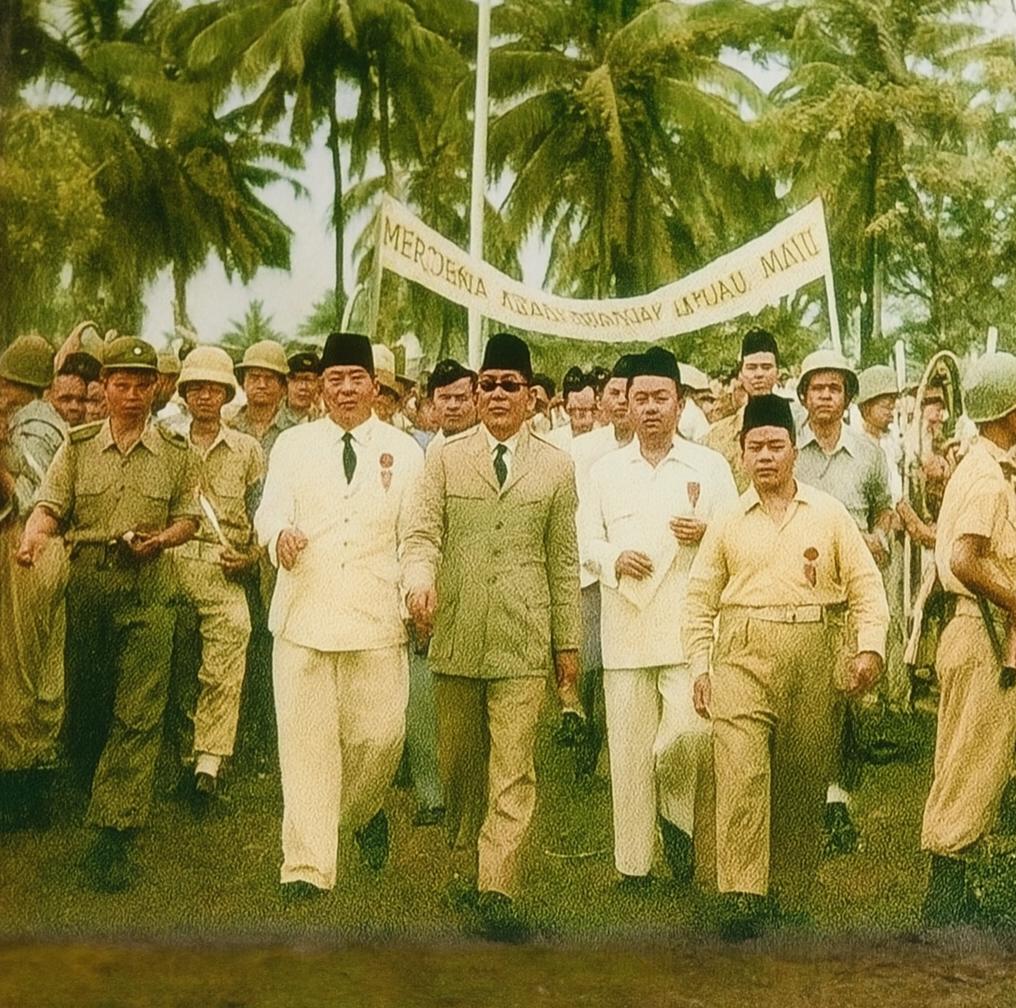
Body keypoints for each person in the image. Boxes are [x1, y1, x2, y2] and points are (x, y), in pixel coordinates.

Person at [683, 393, 887, 939]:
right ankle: (742, 893)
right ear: (743, 455)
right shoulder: (727, 520)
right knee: (742, 770)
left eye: (776, 445)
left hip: (813, 652)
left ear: (794, 450)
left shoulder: (829, 514)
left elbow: (866, 586)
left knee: (801, 775)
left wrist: (869, 648)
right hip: (743, 653)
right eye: (756, 448)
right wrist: (700, 667)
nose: (766, 456)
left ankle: (790, 890)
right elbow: (700, 599)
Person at [402, 332, 582, 940]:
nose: (498, 394)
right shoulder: (445, 458)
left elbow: (563, 561)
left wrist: (567, 646)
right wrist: (419, 584)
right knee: (461, 766)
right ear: (475, 393)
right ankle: (468, 857)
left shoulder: (557, 466)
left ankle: (496, 885)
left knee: (513, 766)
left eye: (510, 385)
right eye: (488, 384)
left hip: (521, 640)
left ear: (531, 396)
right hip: (454, 634)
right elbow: (422, 536)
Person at [17, 336, 200, 892]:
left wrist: (161, 540)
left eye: (142, 384)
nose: (132, 394)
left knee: (139, 713)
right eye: (121, 384)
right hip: (89, 586)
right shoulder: (75, 446)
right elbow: (50, 506)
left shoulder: (175, 452)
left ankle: (114, 835)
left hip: (149, 589)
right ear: (105, 388)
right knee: (89, 709)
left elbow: (189, 518)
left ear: (156, 388)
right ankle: (94, 798)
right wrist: (32, 538)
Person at [254, 331, 423, 901]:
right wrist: (280, 536)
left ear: (376, 386)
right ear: (320, 388)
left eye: (356, 379)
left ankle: (364, 811)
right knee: (304, 746)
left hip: (376, 616)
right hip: (303, 613)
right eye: (335, 380)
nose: (346, 390)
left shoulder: (404, 452)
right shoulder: (293, 447)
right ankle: (306, 867)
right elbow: (270, 510)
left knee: (379, 739)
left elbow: (415, 536)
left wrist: (416, 590)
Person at [579, 347, 737, 888]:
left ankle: (677, 819)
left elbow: (737, 537)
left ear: (679, 403)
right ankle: (634, 867)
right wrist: (612, 559)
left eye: (660, 398)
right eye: (638, 398)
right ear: (624, 404)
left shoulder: (709, 466)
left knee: (689, 734)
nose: (649, 409)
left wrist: (708, 532)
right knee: (626, 753)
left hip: (687, 629)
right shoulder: (603, 472)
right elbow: (584, 541)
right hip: (625, 627)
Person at [919, 353, 1016, 925]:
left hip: (977, 630)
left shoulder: (989, 465)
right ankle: (946, 905)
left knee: (970, 759)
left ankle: (961, 893)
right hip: (982, 632)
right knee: (970, 763)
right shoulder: (984, 474)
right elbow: (964, 556)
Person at [794, 349, 894, 854]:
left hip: (852, 587)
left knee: (849, 692)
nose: (825, 397)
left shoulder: (869, 453)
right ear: (804, 396)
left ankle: (839, 798)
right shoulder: (788, 447)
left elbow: (885, 511)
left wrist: (879, 536)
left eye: (834, 388)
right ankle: (809, 796)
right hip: (800, 586)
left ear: (848, 397)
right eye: (817, 388)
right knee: (811, 695)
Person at [169, 347, 264, 812]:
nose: (205, 396)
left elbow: (262, 516)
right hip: (170, 561)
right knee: (175, 660)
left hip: (222, 567)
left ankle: (209, 761)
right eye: (196, 388)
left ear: (228, 395)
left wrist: (249, 558)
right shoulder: (164, 442)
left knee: (232, 640)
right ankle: (177, 754)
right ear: (184, 393)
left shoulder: (248, 449)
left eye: (215, 389)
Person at [0, 335, 69, 830]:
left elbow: (31, 495)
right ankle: (35, 777)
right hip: (47, 546)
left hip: (30, 543)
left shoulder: (33, 425)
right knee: (42, 661)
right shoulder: (48, 422)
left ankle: (22, 784)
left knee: (21, 663)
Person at [569, 354, 640, 782]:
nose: (620, 401)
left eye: (627, 393)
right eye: (613, 392)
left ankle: (625, 749)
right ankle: (588, 743)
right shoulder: (582, 451)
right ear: (603, 400)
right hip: (591, 571)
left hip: (640, 571)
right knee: (592, 664)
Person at [705, 328, 781, 491]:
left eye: (766, 367)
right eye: (752, 367)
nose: (759, 374)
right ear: (740, 375)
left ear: (777, 374)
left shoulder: (797, 430)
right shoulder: (716, 438)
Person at [229, 340, 294, 460]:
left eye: (269, 378)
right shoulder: (229, 428)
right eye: (254, 377)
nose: (262, 385)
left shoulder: (295, 431)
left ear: (283, 387)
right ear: (243, 383)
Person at [427, 359, 477, 455]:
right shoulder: (433, 451)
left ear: (476, 401)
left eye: (461, 398)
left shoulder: (492, 444)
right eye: (445, 398)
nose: (453, 406)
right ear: (432, 405)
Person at [546, 368, 598, 451]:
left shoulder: (602, 438)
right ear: (568, 410)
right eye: (581, 412)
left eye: (592, 410)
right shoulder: (553, 440)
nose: (588, 419)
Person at [281, 347, 322, 425]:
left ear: (318, 384)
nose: (303, 387)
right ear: (287, 382)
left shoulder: (321, 419)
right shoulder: (273, 417)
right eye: (297, 379)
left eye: (309, 380)